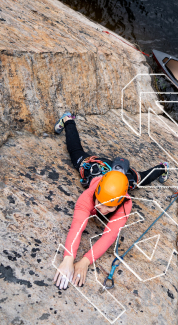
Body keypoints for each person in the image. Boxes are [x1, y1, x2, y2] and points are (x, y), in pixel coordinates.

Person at [52, 112, 169, 290]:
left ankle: (163, 167)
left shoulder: (125, 204)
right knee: (75, 153)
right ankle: (68, 120)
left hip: (124, 178)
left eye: (109, 206)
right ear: (96, 194)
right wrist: (68, 258)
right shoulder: (89, 195)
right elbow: (78, 225)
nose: (102, 209)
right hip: (97, 168)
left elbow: (109, 236)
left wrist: (85, 261)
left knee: (142, 179)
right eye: (99, 202)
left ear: (120, 201)